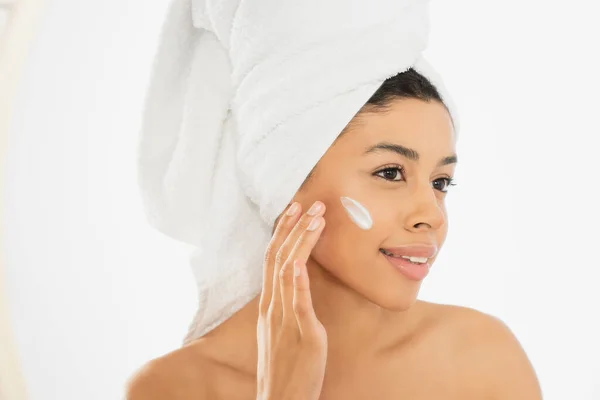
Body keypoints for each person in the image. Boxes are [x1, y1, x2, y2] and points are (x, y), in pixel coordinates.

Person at [125, 68, 543, 399]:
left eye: (440, 182)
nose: (431, 215)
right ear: (284, 183)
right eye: (391, 172)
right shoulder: (173, 389)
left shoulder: (481, 358)